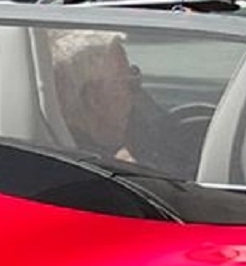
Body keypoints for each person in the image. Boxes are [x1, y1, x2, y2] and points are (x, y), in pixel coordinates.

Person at [48, 30, 202, 175]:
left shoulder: (143, 125)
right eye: (127, 82)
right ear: (93, 99)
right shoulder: (89, 172)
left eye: (135, 74)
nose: (136, 92)